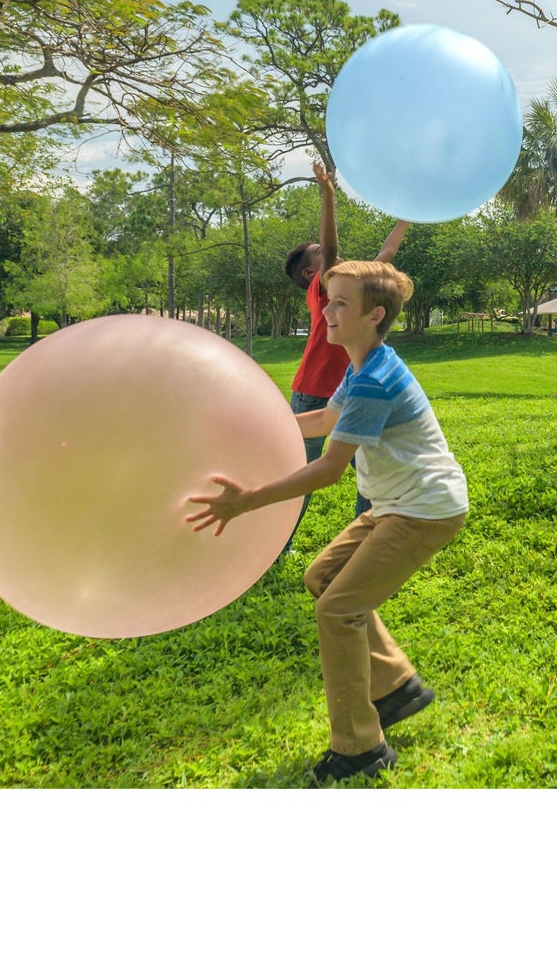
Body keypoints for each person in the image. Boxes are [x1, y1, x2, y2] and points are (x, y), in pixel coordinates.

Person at [186, 261, 469, 785]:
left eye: (339, 302)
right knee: (322, 578)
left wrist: (246, 501)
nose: (326, 309)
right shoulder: (361, 364)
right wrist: (248, 425)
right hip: (395, 503)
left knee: (338, 611)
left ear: (374, 314)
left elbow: (328, 469)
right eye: (327, 299)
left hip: (424, 509)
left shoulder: (375, 381)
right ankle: (396, 687)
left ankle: (361, 749)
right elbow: (320, 420)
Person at [283, 160, 408, 546]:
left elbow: (386, 252)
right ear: (311, 274)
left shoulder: (352, 283)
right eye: (321, 253)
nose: (333, 253)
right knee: (299, 477)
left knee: (371, 475)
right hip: (313, 393)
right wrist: (328, 194)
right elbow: (333, 245)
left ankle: (360, 546)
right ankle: (276, 545)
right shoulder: (325, 286)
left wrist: (409, 212)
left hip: (353, 393)